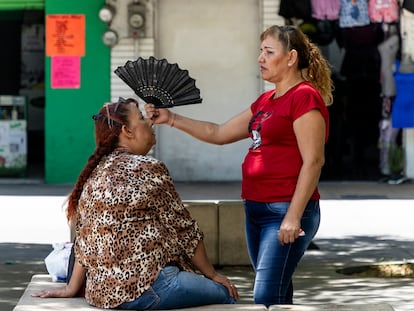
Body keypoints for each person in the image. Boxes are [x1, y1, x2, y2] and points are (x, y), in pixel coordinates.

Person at [145, 25, 333, 306]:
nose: (260, 58)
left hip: (285, 210)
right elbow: (218, 133)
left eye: (269, 52)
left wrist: (293, 216)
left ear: (291, 57)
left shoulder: (304, 96)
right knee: (277, 292)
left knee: (265, 296)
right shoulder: (265, 101)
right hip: (255, 209)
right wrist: (170, 118)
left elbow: (314, 161)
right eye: (260, 52)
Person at [32, 97, 239, 309]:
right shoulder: (147, 167)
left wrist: (70, 288)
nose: (149, 122)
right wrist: (213, 275)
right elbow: (185, 231)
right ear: (127, 131)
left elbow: (85, 239)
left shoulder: (96, 172)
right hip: (151, 288)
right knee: (226, 293)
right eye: (141, 118)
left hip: (102, 294)